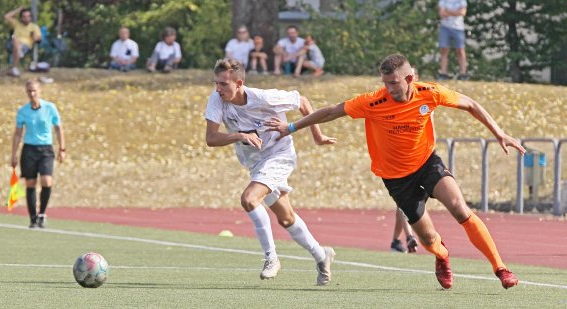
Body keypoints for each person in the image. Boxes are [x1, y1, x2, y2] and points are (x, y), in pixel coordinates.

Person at [266, 53, 524, 290]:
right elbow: (332, 111)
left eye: (394, 82)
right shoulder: (373, 101)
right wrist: (291, 128)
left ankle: (500, 268)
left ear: (410, 78)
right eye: (385, 83)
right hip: (396, 178)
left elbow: (470, 104)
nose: (389, 88)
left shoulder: (430, 93)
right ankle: (442, 255)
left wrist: (499, 134)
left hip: (427, 163)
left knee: (460, 208)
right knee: (427, 237)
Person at [205, 59, 337, 285]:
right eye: (216, 83)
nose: (218, 89)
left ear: (239, 83)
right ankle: (321, 254)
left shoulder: (264, 98)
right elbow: (211, 139)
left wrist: (317, 136)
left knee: (249, 199)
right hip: (256, 163)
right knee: (286, 219)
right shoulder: (217, 99)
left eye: (223, 84)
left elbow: (302, 101)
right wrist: (239, 135)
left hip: (279, 155)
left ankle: (271, 259)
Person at [11, 79, 65, 229]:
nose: (32, 93)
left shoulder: (50, 108)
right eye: (29, 91)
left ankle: (42, 214)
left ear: (40, 91)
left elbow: (58, 128)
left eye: (34, 90)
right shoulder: (23, 111)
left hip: (46, 149)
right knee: (30, 183)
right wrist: (13, 154)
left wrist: (62, 148)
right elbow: (17, 134)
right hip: (29, 149)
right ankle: (33, 218)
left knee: (47, 181)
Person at [390, 66, 420, 254]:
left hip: (419, 158)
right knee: (403, 202)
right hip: (397, 159)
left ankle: (395, 240)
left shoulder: (423, 99)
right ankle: (409, 236)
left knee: (406, 203)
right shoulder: (393, 101)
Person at [4, 6, 42, 77]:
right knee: (15, 39)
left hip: (26, 46)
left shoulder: (34, 27)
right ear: (21, 17)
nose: (26, 18)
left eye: (28, 16)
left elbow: (39, 38)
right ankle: (19, 51)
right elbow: (6, 16)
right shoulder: (17, 24)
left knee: (16, 44)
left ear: (30, 17)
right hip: (13, 43)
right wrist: (18, 9)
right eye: (24, 16)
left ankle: (15, 68)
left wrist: (34, 37)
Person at [438, 0, 468, 81]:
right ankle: (443, 73)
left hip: (458, 28)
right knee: (444, 50)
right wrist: (456, 12)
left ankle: (463, 73)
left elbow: (463, 12)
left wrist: (449, 12)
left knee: (460, 50)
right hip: (445, 27)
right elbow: (441, 13)